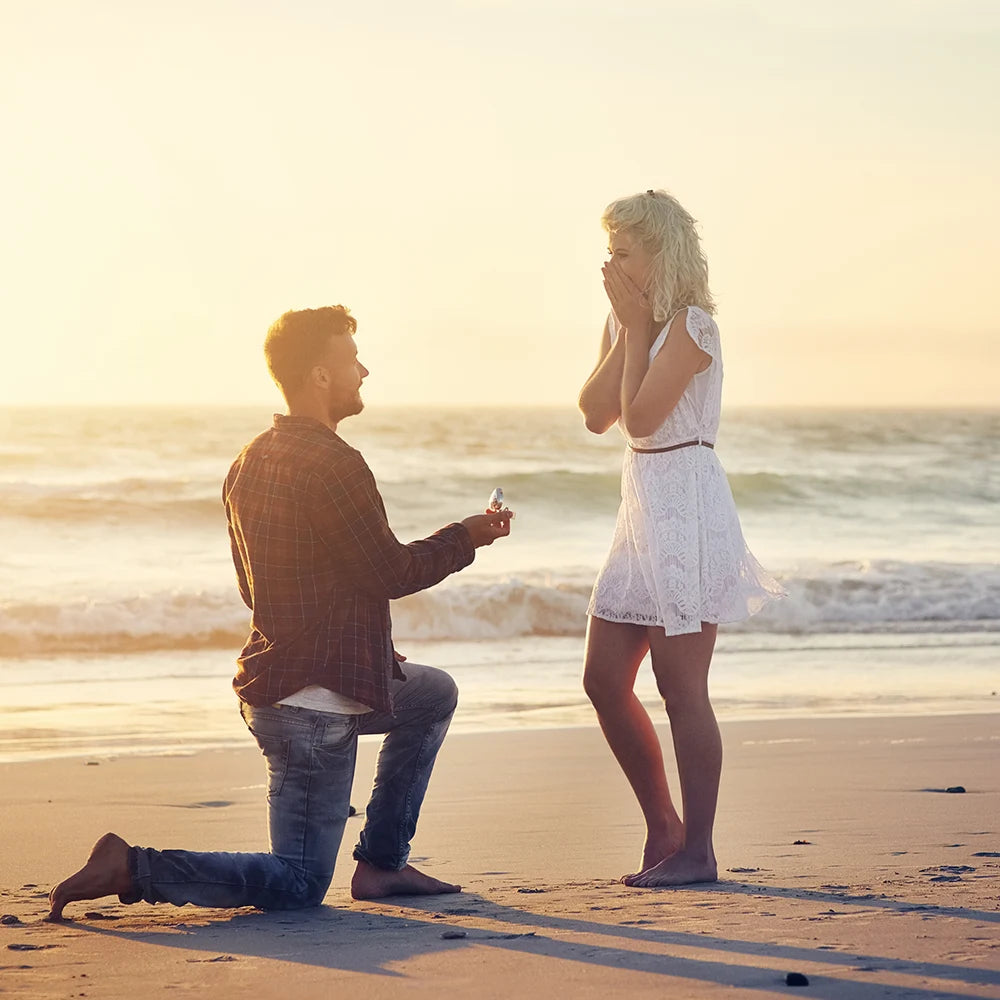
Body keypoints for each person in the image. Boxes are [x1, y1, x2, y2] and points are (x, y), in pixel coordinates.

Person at [48, 305, 512, 919]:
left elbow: (260, 589)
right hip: (310, 712)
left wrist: (364, 644)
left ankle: (382, 862)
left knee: (431, 694)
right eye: (352, 360)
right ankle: (133, 865)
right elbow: (390, 572)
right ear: (320, 375)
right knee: (297, 884)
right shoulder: (334, 462)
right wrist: (467, 536)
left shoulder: (248, 460)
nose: (364, 371)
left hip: (283, 686)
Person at [578, 190, 783, 888]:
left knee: (679, 684)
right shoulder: (625, 319)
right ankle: (661, 824)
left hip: (688, 506)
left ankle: (697, 849)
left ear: (660, 252)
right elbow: (594, 414)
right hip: (641, 509)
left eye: (624, 251)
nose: (611, 263)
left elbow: (641, 419)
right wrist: (626, 324)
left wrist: (638, 329)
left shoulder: (695, 328)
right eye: (609, 250)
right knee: (603, 679)